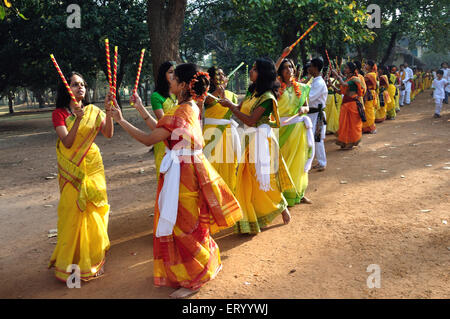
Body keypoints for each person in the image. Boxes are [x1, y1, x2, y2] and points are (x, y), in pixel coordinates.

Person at [111, 63, 242, 298]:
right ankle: (204, 265)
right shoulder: (189, 106)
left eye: (173, 77)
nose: (168, 80)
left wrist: (121, 120)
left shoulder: (182, 110)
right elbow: (162, 130)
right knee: (189, 223)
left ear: (183, 85)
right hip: (186, 170)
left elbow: (150, 139)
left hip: (184, 175)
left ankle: (196, 276)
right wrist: (141, 109)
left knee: (185, 225)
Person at [49, 72, 114, 282]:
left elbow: (109, 134)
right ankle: (72, 261)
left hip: (93, 165)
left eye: (83, 84)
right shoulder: (59, 113)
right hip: (72, 169)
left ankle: (94, 259)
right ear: (66, 88)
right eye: (75, 84)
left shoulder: (93, 111)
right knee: (73, 212)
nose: (80, 88)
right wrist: (77, 119)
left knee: (94, 210)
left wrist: (109, 111)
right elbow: (67, 142)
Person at [218, 57, 294, 234]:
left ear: (262, 74)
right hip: (249, 141)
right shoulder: (253, 93)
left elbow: (251, 121)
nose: (251, 72)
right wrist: (224, 99)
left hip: (262, 143)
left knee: (265, 180)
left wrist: (231, 106)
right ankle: (249, 219)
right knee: (246, 179)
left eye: (254, 69)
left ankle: (281, 206)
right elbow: (239, 108)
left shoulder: (268, 98)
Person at [276, 58, 314, 205]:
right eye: (285, 68)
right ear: (280, 71)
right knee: (284, 162)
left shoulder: (302, 88)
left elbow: (307, 107)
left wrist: (304, 109)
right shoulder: (277, 87)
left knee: (300, 161)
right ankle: (283, 195)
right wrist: (282, 56)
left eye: (291, 67)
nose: (289, 70)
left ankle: (300, 192)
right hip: (282, 129)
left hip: (298, 129)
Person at [203, 66, 240, 192]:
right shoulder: (207, 94)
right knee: (211, 165)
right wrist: (217, 92)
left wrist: (225, 97)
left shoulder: (232, 95)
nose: (222, 77)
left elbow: (238, 109)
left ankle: (228, 194)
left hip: (228, 133)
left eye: (223, 74)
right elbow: (207, 102)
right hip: (211, 133)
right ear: (212, 79)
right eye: (218, 75)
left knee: (229, 165)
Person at [150, 61, 178, 181]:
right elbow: (162, 121)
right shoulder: (156, 96)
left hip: (181, 140)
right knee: (165, 177)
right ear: (163, 75)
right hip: (164, 140)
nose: (173, 75)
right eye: (170, 72)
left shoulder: (179, 94)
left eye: (175, 72)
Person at [332, 62, 365, 150]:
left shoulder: (355, 79)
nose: (345, 69)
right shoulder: (347, 79)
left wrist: (337, 76)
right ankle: (344, 141)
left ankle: (351, 141)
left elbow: (344, 85)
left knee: (352, 125)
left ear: (351, 69)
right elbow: (341, 91)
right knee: (344, 124)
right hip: (345, 104)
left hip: (352, 105)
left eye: (346, 68)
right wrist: (332, 86)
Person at [306, 58, 328, 171]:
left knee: (318, 139)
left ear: (315, 68)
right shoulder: (314, 81)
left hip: (317, 115)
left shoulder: (319, 82)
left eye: (310, 66)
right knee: (311, 138)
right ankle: (317, 161)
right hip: (312, 114)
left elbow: (309, 98)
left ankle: (322, 162)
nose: (309, 68)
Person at [363, 60, 378, 134]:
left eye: (367, 64)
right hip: (366, 93)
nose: (365, 65)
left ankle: (371, 127)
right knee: (365, 110)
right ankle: (365, 127)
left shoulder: (372, 74)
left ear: (371, 66)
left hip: (370, 94)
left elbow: (362, 80)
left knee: (369, 110)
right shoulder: (367, 74)